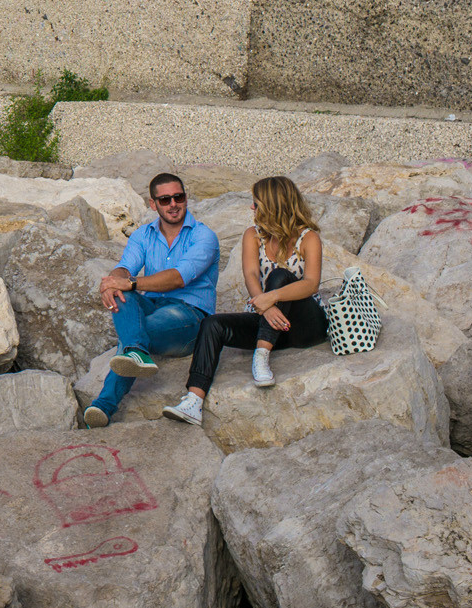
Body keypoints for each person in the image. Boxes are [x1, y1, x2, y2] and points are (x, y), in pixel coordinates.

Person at [163, 176, 327, 424]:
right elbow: (250, 275)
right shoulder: (253, 235)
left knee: (280, 276)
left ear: (273, 205)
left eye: (256, 203)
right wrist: (265, 307)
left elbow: (311, 283)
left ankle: (261, 357)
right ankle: (194, 400)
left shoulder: (309, 237)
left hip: (306, 325)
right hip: (271, 322)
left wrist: (271, 298)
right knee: (212, 324)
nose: (252, 207)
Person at [81, 172, 221, 428]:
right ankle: (136, 353)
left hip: (189, 316)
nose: (173, 204)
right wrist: (112, 282)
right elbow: (125, 268)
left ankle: (104, 404)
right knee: (123, 294)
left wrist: (130, 282)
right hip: (153, 306)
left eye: (178, 197)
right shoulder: (143, 235)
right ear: (153, 204)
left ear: (186, 198)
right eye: (165, 200)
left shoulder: (204, 237)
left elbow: (178, 278)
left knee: (133, 332)